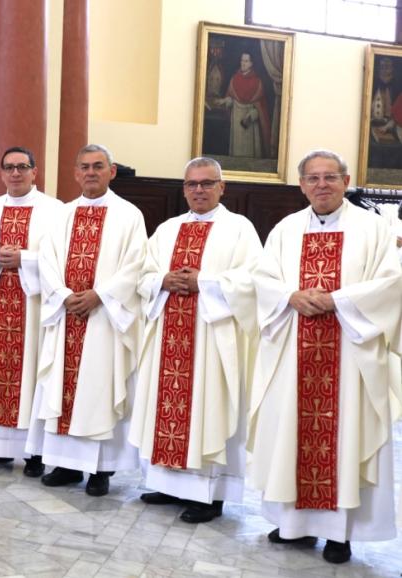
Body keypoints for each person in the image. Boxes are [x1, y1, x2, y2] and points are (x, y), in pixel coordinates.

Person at [248, 150, 401, 565]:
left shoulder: (372, 229)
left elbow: (392, 284)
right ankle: (294, 526)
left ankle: (339, 534)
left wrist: (338, 300)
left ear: (346, 180)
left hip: (349, 353)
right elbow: (262, 279)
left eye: (329, 177)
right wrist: (290, 296)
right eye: (312, 179)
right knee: (291, 433)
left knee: (345, 436)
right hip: (293, 349)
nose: (321, 185)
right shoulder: (285, 228)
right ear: (301, 185)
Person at [128, 157, 261, 523]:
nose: (198, 190)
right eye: (192, 184)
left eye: (206, 183)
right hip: (169, 333)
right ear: (184, 188)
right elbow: (143, 275)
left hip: (212, 339)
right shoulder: (168, 229)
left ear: (222, 187)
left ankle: (208, 494)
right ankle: (169, 484)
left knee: (208, 408)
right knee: (165, 409)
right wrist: (163, 281)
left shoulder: (240, 229)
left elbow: (251, 282)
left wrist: (203, 281)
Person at [30, 144, 146, 496]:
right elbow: (45, 261)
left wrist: (101, 295)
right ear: (75, 173)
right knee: (61, 390)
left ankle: (101, 470)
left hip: (103, 318)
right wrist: (64, 296)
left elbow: (136, 265)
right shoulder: (61, 215)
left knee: (99, 388)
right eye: (85, 167)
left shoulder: (129, 215)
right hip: (66, 314)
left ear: (112, 172)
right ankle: (65, 464)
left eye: (98, 166)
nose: (91, 172)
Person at [0, 146, 63, 471]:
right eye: (9, 168)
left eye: (22, 167)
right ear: (1, 173)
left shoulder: (54, 210)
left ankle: (34, 452)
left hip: (32, 308)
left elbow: (60, 257)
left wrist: (25, 259)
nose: (15, 173)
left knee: (32, 375)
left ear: (35, 171)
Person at [223, 52, 271, 158]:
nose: (243, 63)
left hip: (251, 123)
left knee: (250, 154)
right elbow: (230, 96)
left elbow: (260, 105)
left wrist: (253, 114)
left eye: (246, 61)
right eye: (242, 60)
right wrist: (227, 100)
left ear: (251, 63)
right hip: (236, 119)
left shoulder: (257, 81)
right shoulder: (234, 78)